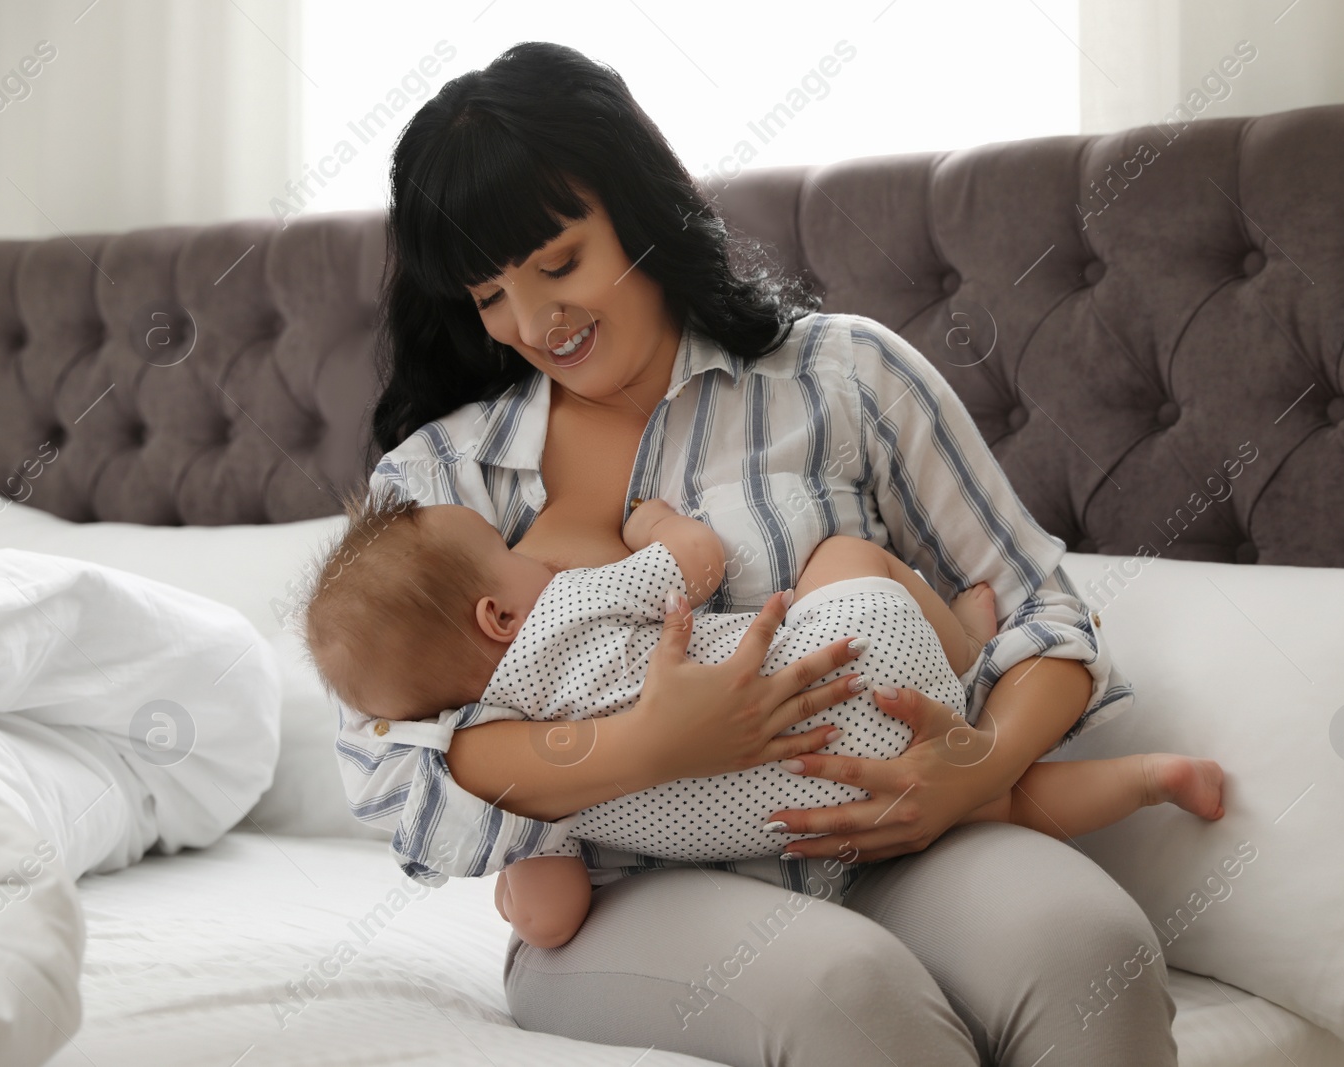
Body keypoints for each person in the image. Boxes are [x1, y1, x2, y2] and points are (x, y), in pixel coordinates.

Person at [341, 39, 1181, 1066]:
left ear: (637, 205)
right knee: (846, 990)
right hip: (625, 891)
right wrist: (644, 749)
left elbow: (1043, 612)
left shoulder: (844, 374)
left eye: (559, 264)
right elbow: (392, 765)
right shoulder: (435, 488)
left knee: (1091, 950)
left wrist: (980, 768)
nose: (534, 321)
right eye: (489, 297)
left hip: (894, 823)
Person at [310, 492, 1224, 949]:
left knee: (1009, 803)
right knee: (850, 555)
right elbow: (697, 563)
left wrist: (514, 889)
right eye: (505, 556)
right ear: (497, 618)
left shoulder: (519, 790)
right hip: (851, 653)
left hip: (829, 819)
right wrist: (656, 521)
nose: (527, 555)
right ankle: (966, 654)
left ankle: (1153, 780)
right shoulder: (567, 607)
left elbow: (551, 918)